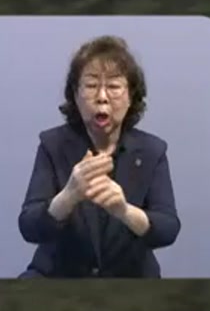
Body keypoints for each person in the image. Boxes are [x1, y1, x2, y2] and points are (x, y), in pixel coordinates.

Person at [17, 34, 180, 277]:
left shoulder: (152, 151)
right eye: (92, 86)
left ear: (131, 97)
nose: (102, 96)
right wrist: (69, 196)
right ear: (75, 94)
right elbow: (29, 227)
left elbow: (168, 228)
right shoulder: (53, 145)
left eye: (114, 86)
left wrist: (125, 211)